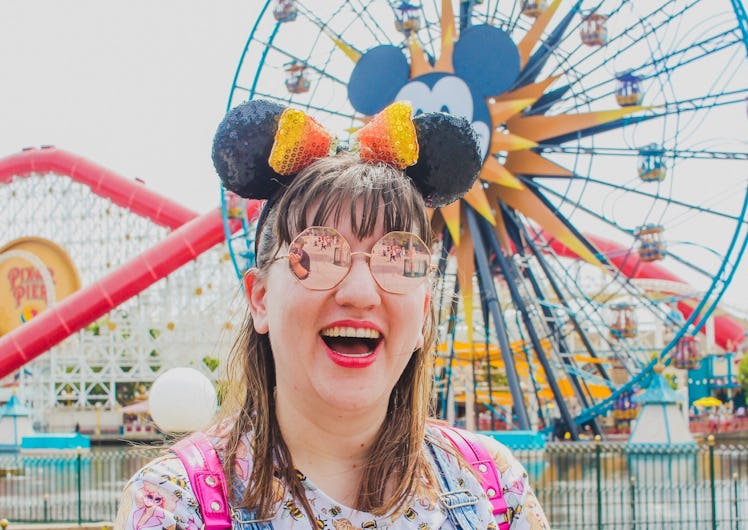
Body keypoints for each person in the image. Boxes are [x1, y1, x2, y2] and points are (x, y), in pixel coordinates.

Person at [115, 100, 549, 529]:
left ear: (422, 308)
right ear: (260, 298)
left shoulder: (493, 487)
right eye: (318, 254)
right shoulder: (175, 502)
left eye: (398, 258)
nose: (360, 293)